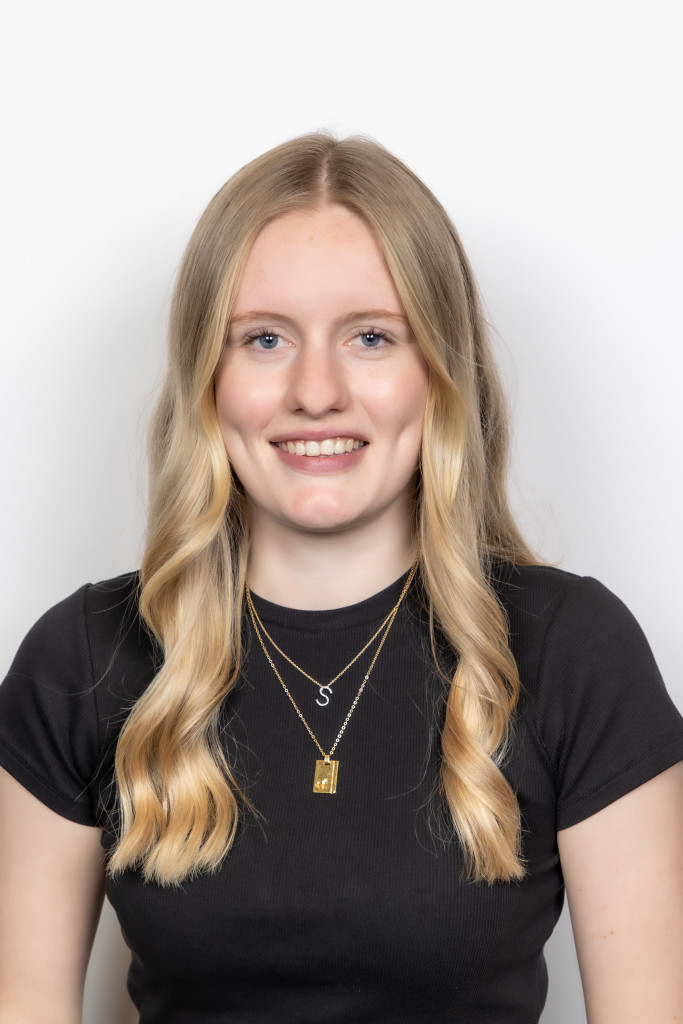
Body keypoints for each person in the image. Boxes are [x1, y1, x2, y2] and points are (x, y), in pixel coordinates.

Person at [0, 133, 681, 1024]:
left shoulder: (572, 651)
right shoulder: (85, 656)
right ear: (207, 375)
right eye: (264, 339)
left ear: (438, 371)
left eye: (370, 337)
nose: (315, 391)